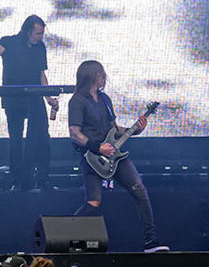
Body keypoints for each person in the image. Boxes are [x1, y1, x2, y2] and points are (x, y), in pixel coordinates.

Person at [68, 60, 166, 252]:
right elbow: (74, 132)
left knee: (139, 189)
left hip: (114, 155)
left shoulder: (105, 99)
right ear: (93, 75)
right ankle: (67, 237)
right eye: (101, 74)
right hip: (92, 157)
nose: (104, 77)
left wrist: (135, 130)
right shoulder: (77, 101)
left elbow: (114, 129)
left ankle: (151, 241)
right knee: (93, 202)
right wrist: (97, 147)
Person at [0, 15, 62, 191]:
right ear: (27, 31)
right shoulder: (9, 42)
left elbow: (41, 74)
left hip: (35, 97)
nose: (40, 37)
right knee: (16, 139)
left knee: (41, 138)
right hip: (13, 98)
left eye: (42, 33)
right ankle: (19, 179)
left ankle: (42, 178)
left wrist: (48, 98)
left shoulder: (40, 48)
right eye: (37, 33)